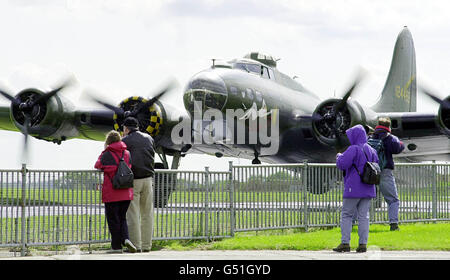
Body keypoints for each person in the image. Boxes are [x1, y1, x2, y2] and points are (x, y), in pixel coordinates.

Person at [334, 124, 378, 253]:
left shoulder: (353, 149)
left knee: (347, 214)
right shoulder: (372, 150)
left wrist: (338, 157)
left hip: (354, 187)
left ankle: (345, 243)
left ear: (355, 136)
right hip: (368, 187)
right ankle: (363, 244)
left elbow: (342, 164)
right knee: (364, 216)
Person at [94, 130, 137, 253]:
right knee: (122, 217)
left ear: (108, 141)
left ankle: (116, 246)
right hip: (126, 191)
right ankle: (126, 239)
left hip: (112, 192)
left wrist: (104, 149)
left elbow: (97, 165)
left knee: (113, 219)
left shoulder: (107, 153)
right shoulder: (127, 153)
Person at [122, 117, 156, 252]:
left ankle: (135, 245)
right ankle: (147, 245)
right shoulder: (149, 138)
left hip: (133, 180)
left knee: (133, 214)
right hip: (148, 179)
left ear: (126, 128)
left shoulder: (125, 141)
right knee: (147, 214)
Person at [368, 117, 405, 231]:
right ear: (389, 127)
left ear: (378, 125)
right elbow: (399, 147)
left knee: (363, 198)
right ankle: (393, 224)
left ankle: (357, 221)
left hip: (369, 171)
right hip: (385, 172)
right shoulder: (390, 138)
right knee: (393, 200)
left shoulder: (370, 137)